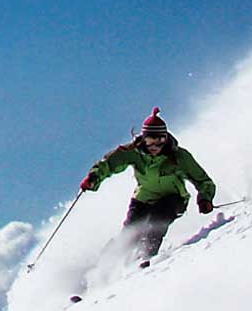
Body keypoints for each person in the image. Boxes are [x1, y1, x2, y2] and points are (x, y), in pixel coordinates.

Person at [80, 106, 216, 263]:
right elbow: (109, 164)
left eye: (160, 141)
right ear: (144, 139)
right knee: (129, 236)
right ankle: (101, 266)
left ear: (165, 138)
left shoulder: (179, 156)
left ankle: (145, 257)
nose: (155, 147)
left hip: (174, 199)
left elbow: (203, 180)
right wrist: (94, 177)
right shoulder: (133, 152)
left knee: (157, 221)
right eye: (150, 141)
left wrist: (205, 199)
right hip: (143, 199)